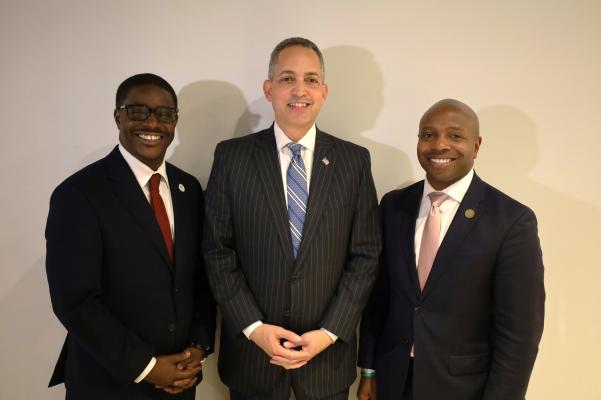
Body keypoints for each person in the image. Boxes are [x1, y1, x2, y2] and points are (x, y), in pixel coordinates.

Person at [202, 37, 381, 400]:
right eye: (287, 78)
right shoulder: (231, 158)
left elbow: (365, 256)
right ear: (269, 89)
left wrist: (330, 332)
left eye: (311, 79)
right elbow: (217, 251)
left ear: (324, 91)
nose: (300, 89)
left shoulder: (353, 162)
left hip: (327, 361)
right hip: (253, 359)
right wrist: (254, 328)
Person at [357, 99, 545, 400]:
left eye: (455, 136)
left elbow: (519, 334)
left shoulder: (511, 221)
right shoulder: (393, 206)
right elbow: (379, 298)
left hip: (464, 389)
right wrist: (368, 369)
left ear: (477, 145)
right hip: (393, 381)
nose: (440, 145)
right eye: (428, 135)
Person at [45, 73, 216, 399]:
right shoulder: (79, 194)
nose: (152, 123)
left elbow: (199, 279)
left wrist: (198, 345)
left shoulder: (189, 189)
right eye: (139, 111)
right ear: (118, 116)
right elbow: (75, 302)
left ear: (175, 121)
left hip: (179, 381)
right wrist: (147, 367)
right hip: (108, 382)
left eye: (164, 114)